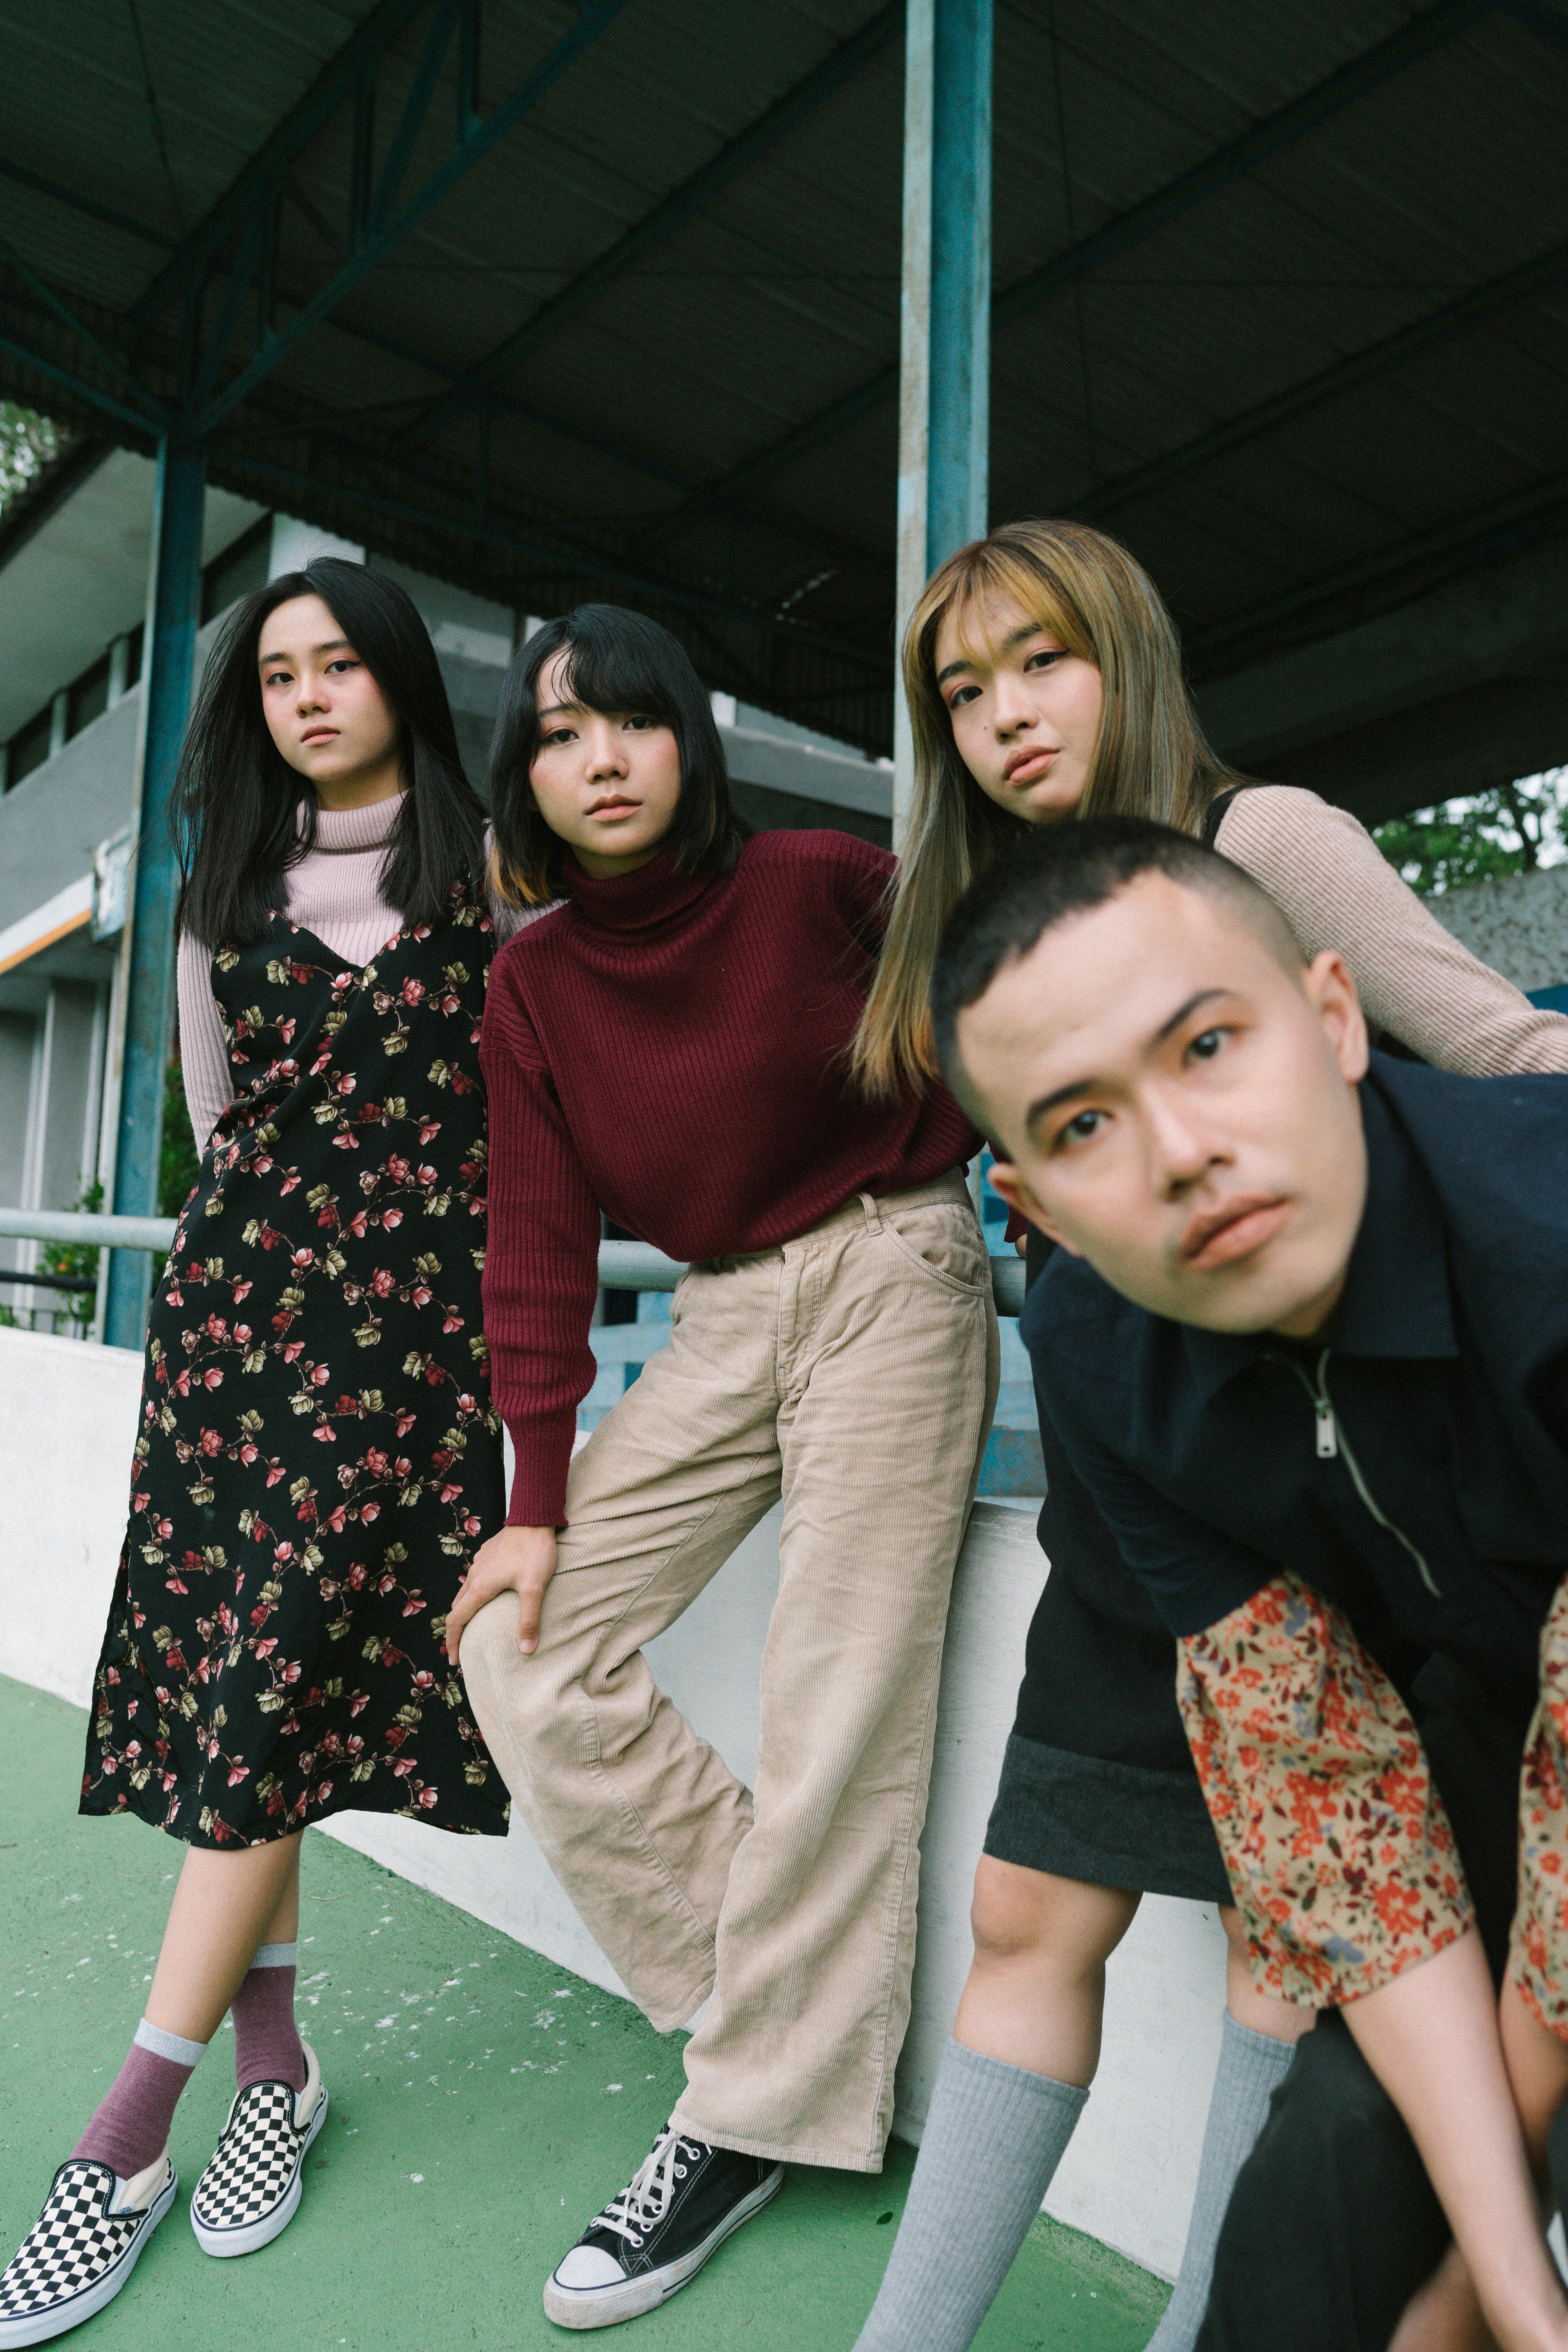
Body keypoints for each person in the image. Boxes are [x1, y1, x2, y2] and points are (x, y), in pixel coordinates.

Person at [851, 519, 1568, 2352]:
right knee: (1061, 1905)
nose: (1005, 718)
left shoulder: (1263, 847)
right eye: (963, 691)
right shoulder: (974, 947)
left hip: (1404, 1411)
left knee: (1299, 1944)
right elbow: (1323, 1798)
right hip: (1169, 1447)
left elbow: (1500, 1053)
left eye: (1043, 662)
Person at [442, 602, 998, 2332]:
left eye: (630, 721)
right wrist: (533, 1509)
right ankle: (787, 2003)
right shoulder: (528, 984)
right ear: (523, 774)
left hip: (893, 1270)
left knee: (834, 1701)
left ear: (689, 739)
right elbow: (533, 1250)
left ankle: (744, 2114)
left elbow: (1015, 1002)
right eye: (556, 733)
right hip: (718, 1316)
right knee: (514, 1649)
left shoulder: (828, 884)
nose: (598, 758)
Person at [0, 561, 511, 2348]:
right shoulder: (222, 893)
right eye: (279, 673)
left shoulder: (491, 884)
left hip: (415, 1361)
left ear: (399, 687)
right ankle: (255, 2073)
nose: (307, 694)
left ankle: (136, 2129)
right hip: (239, 1345)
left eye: (340, 664)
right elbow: (225, 1128)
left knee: (276, 1701)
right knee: (260, 1699)